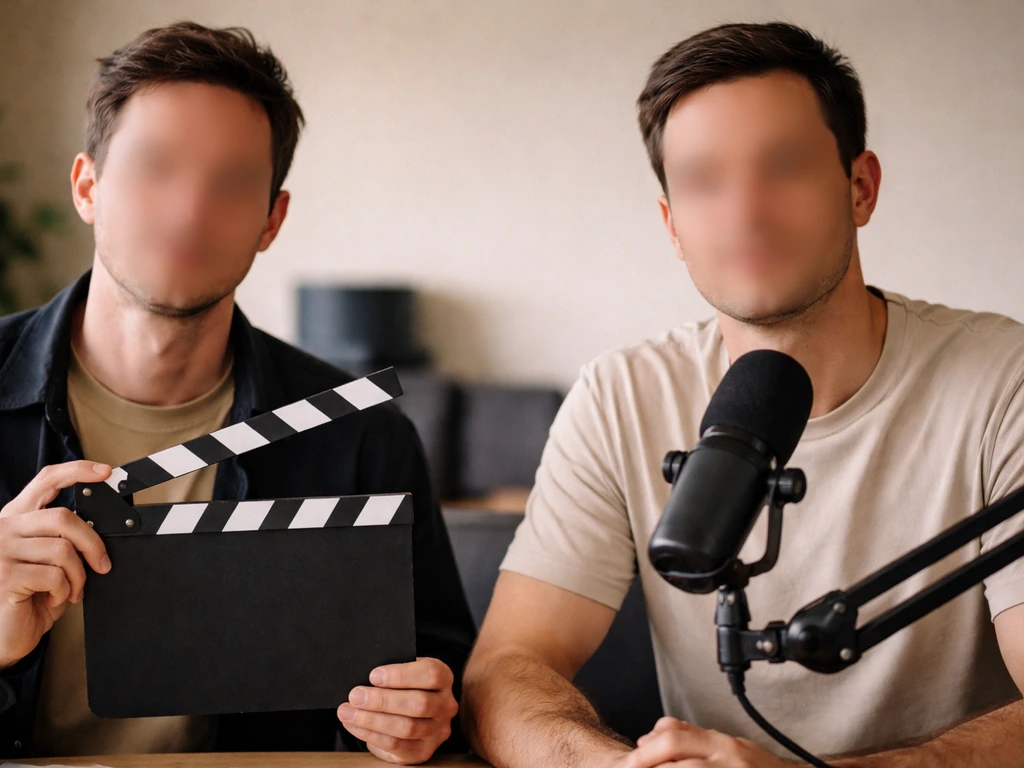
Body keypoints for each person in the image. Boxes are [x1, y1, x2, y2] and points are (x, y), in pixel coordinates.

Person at [462, 21, 1024, 768]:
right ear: (672, 226)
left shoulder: (1003, 379)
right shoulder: (621, 394)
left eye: (784, 167)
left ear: (860, 187)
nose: (745, 212)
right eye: (703, 183)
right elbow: (505, 671)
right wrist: (615, 767)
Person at [0, 22, 474, 764]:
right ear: (88, 187)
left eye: (231, 183)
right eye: (157, 167)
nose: (190, 211)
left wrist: (422, 718)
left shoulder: (361, 436)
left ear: (271, 220)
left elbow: (446, 680)